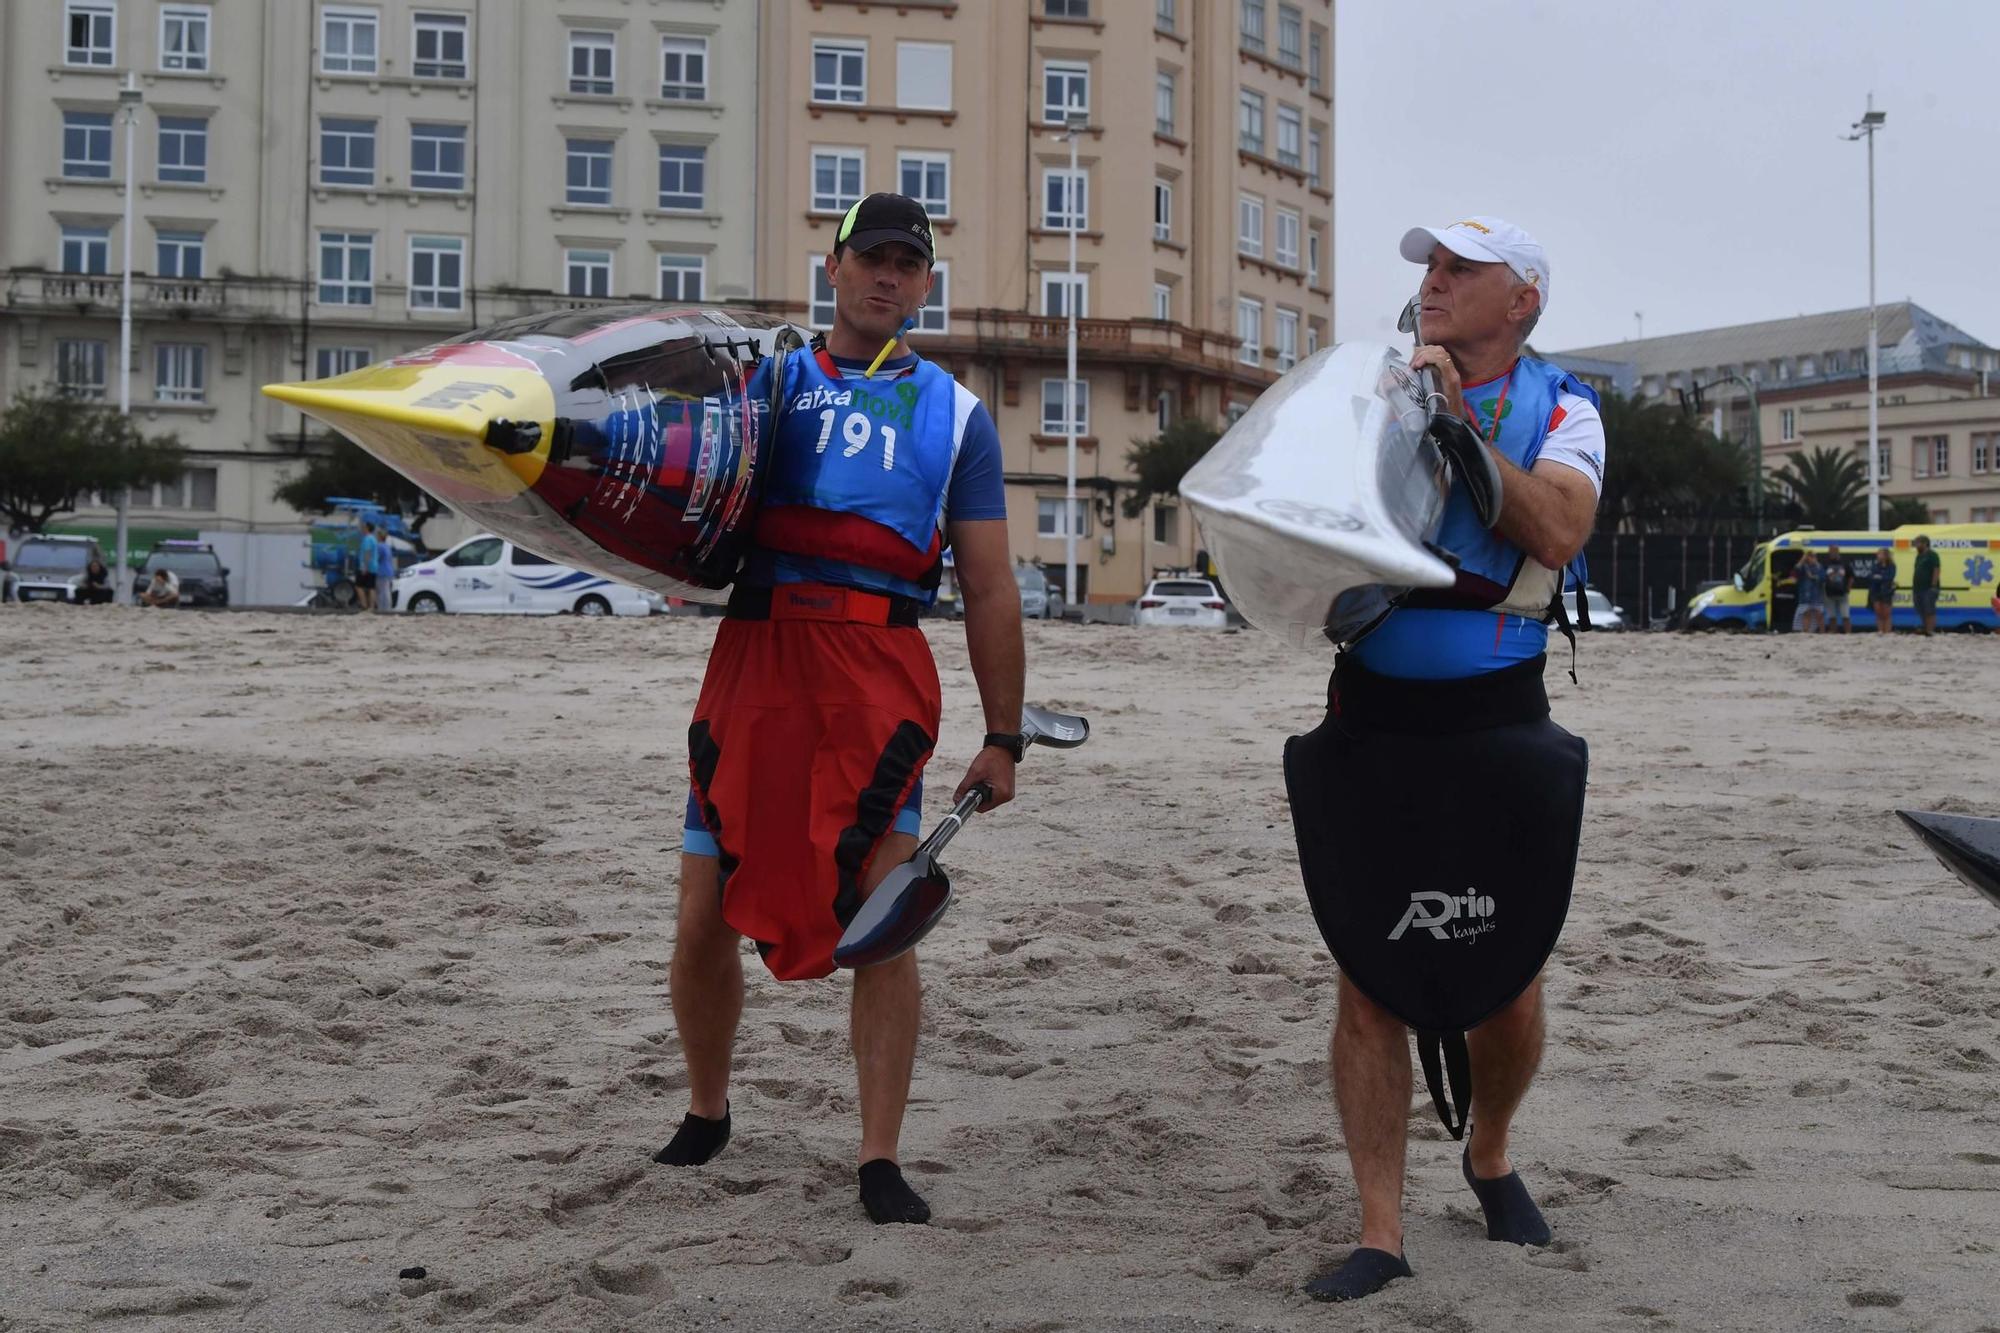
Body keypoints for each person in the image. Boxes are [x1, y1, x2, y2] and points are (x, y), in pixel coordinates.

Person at [658, 193, 1024, 1228]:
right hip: (756, 658)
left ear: (925, 282)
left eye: (909, 264)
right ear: (832, 265)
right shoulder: (762, 382)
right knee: (699, 911)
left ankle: (876, 1155)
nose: (889, 278)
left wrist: (1003, 734)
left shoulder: (955, 416)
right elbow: (675, 498)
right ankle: (706, 1106)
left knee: (883, 921)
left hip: (876, 676)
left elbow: (990, 586)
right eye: (872, 257)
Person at [1285, 216, 1604, 1303]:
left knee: (1503, 984)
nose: (1432, 281)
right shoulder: (1368, 384)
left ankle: (1489, 1150)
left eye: (1461, 269)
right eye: (1428, 266)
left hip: (1496, 721)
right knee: (1368, 979)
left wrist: (1463, 429)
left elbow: (1557, 530)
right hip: (1370, 716)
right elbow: (1289, 511)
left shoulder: (1565, 407)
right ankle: (1380, 1227)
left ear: (1520, 299)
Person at [1820, 544, 1854, 634]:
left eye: (1834, 551)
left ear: (1838, 551)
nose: (1832, 553)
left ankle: (1848, 633)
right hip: (1829, 593)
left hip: (1843, 593)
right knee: (1832, 616)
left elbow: (1851, 576)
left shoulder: (1845, 562)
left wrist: (1848, 588)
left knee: (1845, 615)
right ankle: (1833, 631)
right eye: (1831, 551)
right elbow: (1822, 577)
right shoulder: (1825, 563)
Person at [1911, 534, 1940, 635]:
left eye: (1918, 543)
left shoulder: (1932, 555)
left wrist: (1933, 585)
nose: (1916, 545)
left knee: (1929, 610)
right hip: (1918, 588)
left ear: (1925, 544)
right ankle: (1925, 628)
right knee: (1920, 609)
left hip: (1928, 588)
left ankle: (1930, 630)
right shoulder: (1919, 556)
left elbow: (1936, 569)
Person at [1792, 550, 1824, 634]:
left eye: (1813, 556)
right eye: (1809, 556)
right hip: (1805, 595)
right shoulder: (1803, 567)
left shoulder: (1819, 567)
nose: (1811, 558)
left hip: (1817, 595)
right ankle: (1805, 631)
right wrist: (1802, 560)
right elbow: (1796, 570)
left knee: (1819, 614)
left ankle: (1822, 632)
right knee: (1806, 612)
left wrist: (1813, 576)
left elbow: (1823, 578)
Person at [1868, 546, 1899, 633]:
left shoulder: (1891, 566)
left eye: (1880, 554)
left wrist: (1879, 577)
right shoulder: (1875, 566)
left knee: (1886, 614)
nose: (1878, 555)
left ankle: (1887, 631)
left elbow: (1889, 577)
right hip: (1875, 590)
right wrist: (1880, 577)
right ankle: (1880, 630)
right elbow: (1870, 577)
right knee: (1878, 612)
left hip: (1887, 591)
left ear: (1885, 555)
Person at [375, 522, 399, 612]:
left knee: (382, 592)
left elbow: (377, 558)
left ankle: (382, 609)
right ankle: (387, 608)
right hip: (389, 571)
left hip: (382, 571)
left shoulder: (379, 546)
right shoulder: (387, 546)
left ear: (380, 537)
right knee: (386, 591)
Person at [356, 523, 380, 611]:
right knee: (371, 587)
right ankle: (371, 606)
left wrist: (365, 567)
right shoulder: (373, 539)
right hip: (374, 566)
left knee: (359, 586)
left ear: (367, 528)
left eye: (363, 527)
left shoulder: (367, 539)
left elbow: (367, 553)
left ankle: (364, 604)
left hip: (367, 566)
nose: (362, 529)